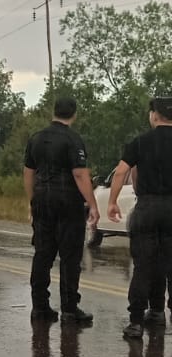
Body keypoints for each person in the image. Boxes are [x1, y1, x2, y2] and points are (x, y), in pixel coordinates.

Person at [23, 95, 99, 325]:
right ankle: (69, 308)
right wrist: (93, 204)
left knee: (43, 254)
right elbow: (79, 174)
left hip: (42, 198)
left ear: (53, 112)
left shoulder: (36, 139)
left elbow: (28, 173)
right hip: (67, 201)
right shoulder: (73, 140)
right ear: (74, 114)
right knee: (69, 255)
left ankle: (39, 306)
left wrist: (32, 201)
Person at [108, 95, 172, 340]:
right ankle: (157, 313)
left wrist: (112, 202)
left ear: (154, 115)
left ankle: (136, 322)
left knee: (144, 266)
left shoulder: (140, 142)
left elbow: (122, 172)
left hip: (147, 207)